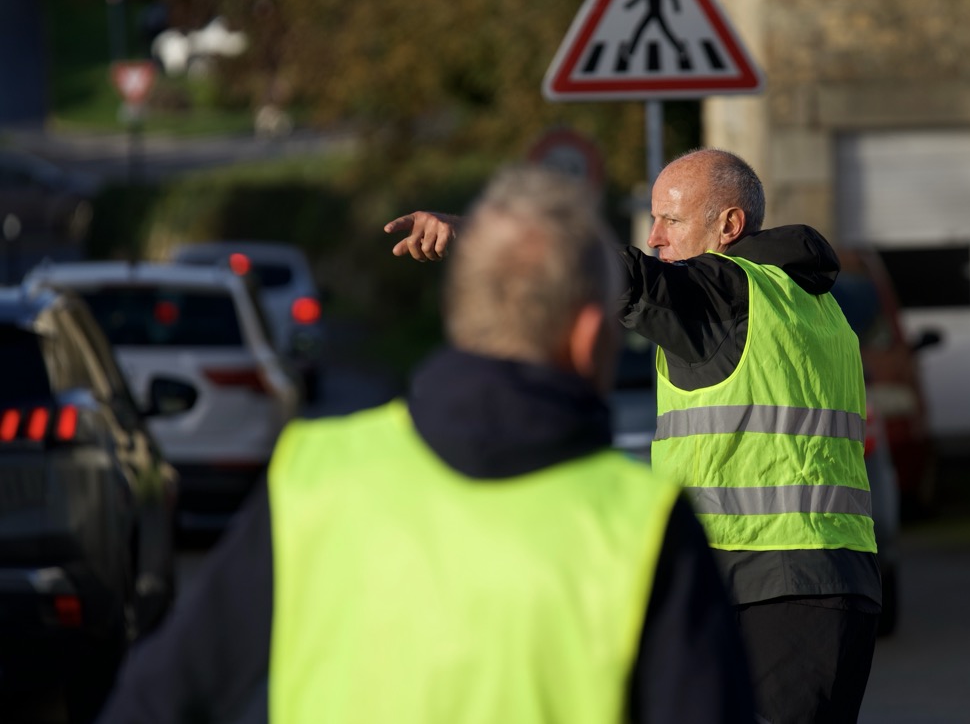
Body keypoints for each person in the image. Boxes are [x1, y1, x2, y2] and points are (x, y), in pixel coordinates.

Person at [98, 166, 755, 724]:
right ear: (589, 337)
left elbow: (158, 696)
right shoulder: (641, 524)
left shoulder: (316, 479)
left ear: (460, 316)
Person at [387, 149, 882, 723]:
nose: (654, 237)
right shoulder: (813, 305)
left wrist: (478, 233)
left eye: (671, 219)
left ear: (729, 225)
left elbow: (608, 273)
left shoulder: (724, 294)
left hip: (770, 587)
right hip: (827, 583)